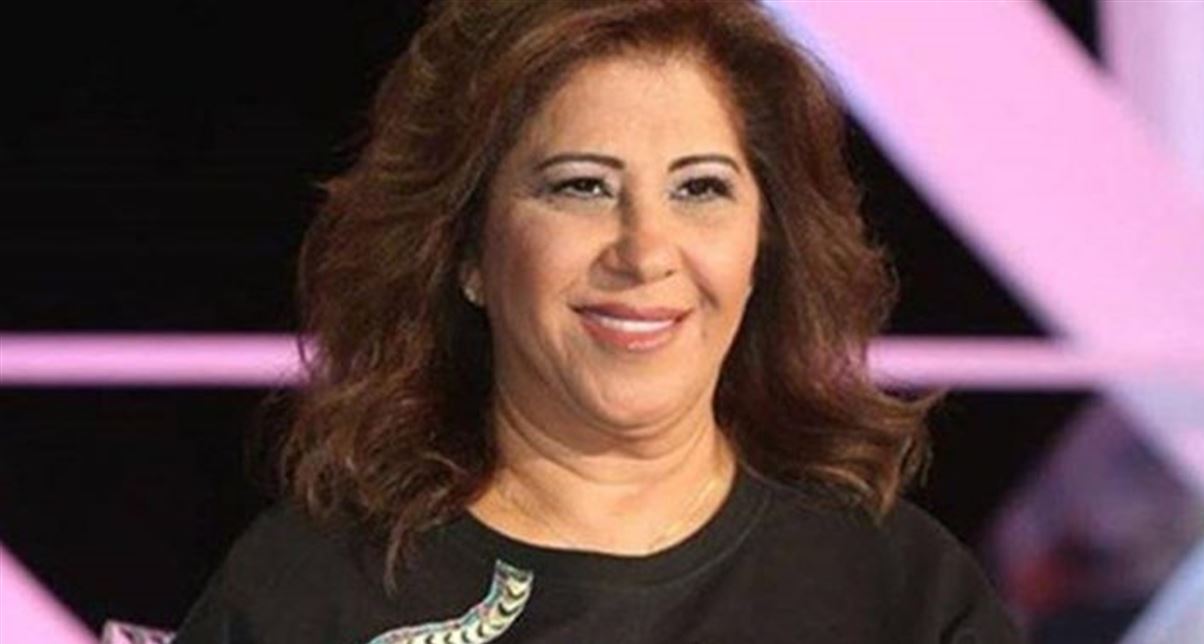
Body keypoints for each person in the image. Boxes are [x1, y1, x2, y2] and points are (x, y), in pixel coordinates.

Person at [174, 1, 1022, 642]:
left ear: (763, 248)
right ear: (467, 253)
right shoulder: (307, 593)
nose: (645, 251)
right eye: (582, 186)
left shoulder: (900, 596)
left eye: (700, 188)